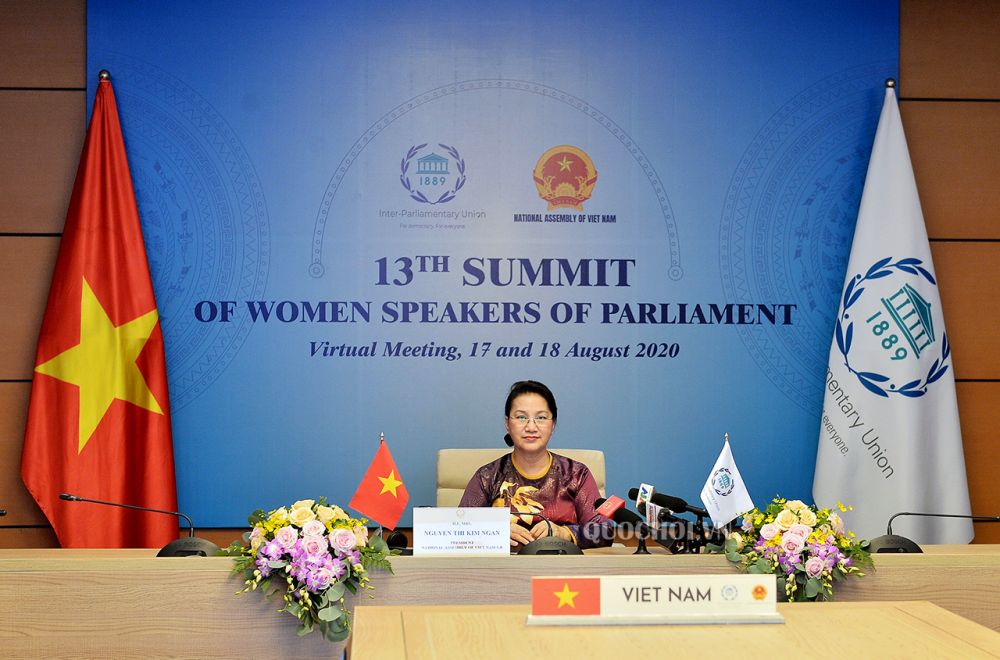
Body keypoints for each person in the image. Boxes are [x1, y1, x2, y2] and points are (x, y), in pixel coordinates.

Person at [459, 380, 613, 550]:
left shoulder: (576, 474)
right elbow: (459, 528)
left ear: (553, 425)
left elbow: (604, 530)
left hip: (561, 564)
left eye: (541, 418)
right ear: (507, 423)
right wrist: (495, 532)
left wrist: (564, 533)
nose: (531, 427)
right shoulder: (488, 476)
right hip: (506, 564)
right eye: (521, 417)